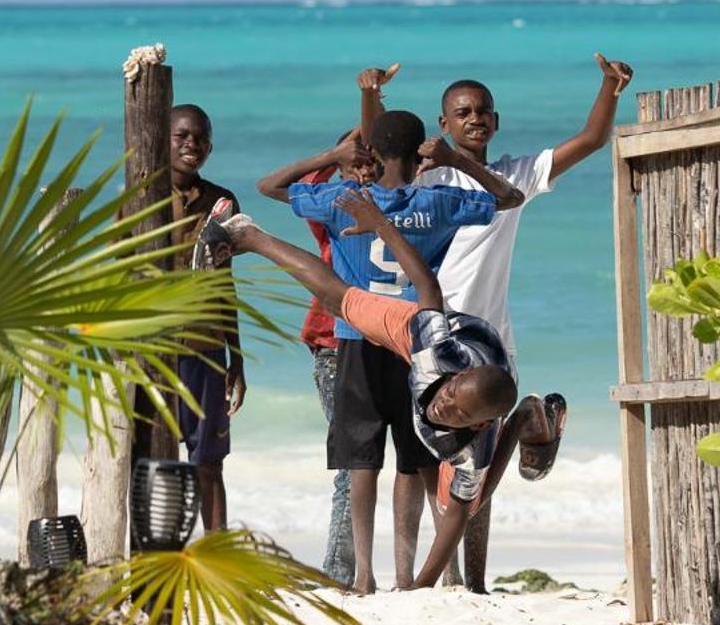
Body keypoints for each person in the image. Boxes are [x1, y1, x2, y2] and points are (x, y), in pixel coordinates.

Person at [359, 53, 633, 591]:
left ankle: (474, 583)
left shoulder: (513, 175)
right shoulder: (427, 174)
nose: (474, 118)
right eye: (462, 112)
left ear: (497, 120)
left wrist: (610, 86)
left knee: (476, 466)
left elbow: (591, 140)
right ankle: (420, 576)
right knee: (423, 458)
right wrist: (371, 95)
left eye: (483, 110)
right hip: (431, 333)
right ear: (443, 124)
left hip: (488, 344)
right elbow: (376, 151)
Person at [199, 191, 565, 589]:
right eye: (449, 395)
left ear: (478, 426)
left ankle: (528, 416)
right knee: (339, 301)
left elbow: (454, 520)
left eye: (459, 415)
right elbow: (427, 286)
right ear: (453, 379)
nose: (444, 407)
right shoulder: (435, 345)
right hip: (445, 336)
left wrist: (421, 589)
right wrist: (381, 225)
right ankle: (247, 235)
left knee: (466, 503)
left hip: (488, 379)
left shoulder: (472, 448)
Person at [257, 109, 522, 592]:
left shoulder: (345, 199)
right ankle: (408, 574)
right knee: (415, 460)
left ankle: (364, 576)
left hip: (358, 340)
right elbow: (510, 197)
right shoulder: (439, 200)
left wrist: (333, 156)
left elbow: (270, 188)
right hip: (417, 344)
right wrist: (455, 162)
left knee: (361, 462)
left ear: (370, 152)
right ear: (422, 147)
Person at [256, 127, 375, 587]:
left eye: (369, 158)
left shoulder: (397, 202)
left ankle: (370, 569)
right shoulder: (331, 202)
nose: (362, 168)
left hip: (387, 338)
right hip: (333, 342)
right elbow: (270, 186)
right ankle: (340, 571)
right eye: (353, 161)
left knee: (402, 457)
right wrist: (332, 155)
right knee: (351, 460)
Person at [163, 103, 243, 531]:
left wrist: (237, 357)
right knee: (152, 463)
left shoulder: (222, 203)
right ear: (163, 139)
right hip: (153, 351)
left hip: (206, 350)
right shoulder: (140, 198)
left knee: (209, 463)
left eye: (200, 137)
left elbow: (225, 283)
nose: (191, 143)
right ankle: (155, 559)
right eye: (181, 135)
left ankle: (217, 558)